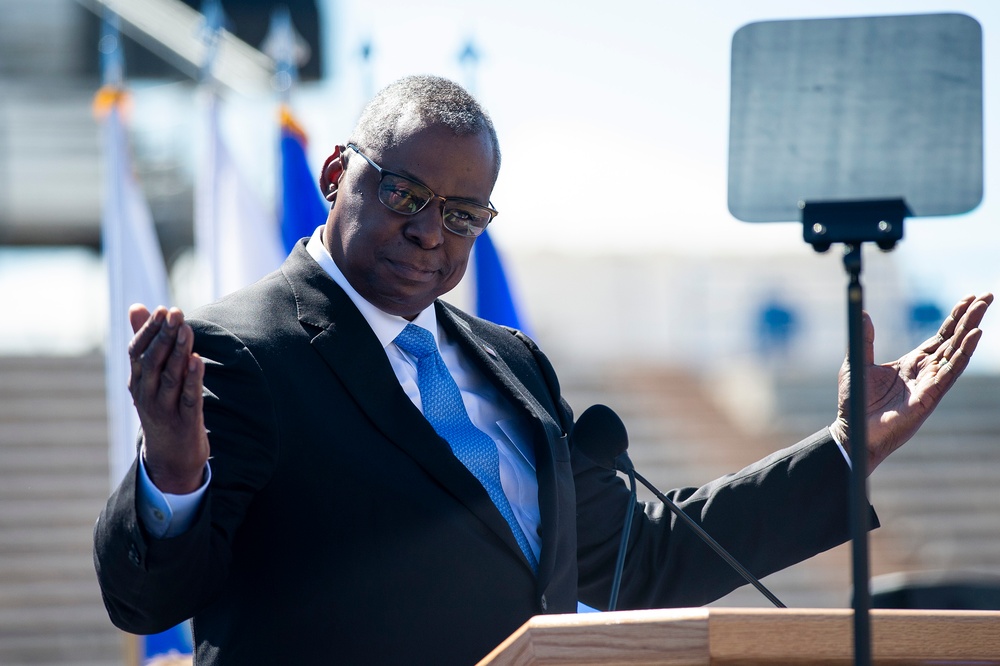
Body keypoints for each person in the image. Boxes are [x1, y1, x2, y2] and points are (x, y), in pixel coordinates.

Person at [93, 75, 993, 665]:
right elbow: (150, 599)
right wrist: (174, 477)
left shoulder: (510, 362)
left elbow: (645, 562)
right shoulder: (240, 348)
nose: (429, 233)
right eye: (406, 194)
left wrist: (845, 450)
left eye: (463, 214)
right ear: (337, 173)